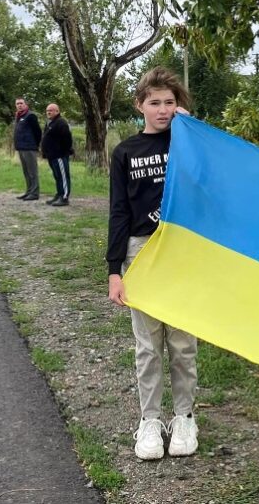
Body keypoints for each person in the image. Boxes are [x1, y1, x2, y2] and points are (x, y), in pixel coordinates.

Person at [106, 67, 199, 461]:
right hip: (140, 251)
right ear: (139, 105)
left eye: (170, 102)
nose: (163, 110)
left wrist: (197, 133)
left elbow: (211, 179)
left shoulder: (188, 143)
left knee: (182, 342)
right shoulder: (125, 151)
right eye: (155, 102)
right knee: (148, 345)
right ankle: (149, 421)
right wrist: (114, 270)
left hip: (181, 250)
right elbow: (118, 211)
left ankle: (184, 417)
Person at [41, 103, 73, 206]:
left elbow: (67, 139)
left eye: (51, 110)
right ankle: (59, 194)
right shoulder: (50, 123)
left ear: (57, 111)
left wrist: (63, 151)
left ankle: (64, 197)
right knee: (57, 176)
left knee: (63, 176)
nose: (48, 112)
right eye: (47, 111)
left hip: (59, 155)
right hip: (51, 156)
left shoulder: (61, 123)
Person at [13, 97, 42, 201]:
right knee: (26, 171)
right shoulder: (18, 116)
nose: (19, 105)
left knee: (32, 171)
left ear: (25, 104)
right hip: (21, 148)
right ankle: (29, 191)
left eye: (21, 103)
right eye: (17, 104)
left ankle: (34, 193)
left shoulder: (30, 115)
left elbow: (38, 132)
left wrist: (35, 144)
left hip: (29, 147)